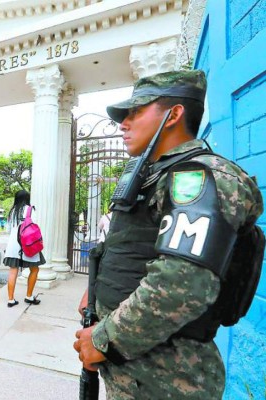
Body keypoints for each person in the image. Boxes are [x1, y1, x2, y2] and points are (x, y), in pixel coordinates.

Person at [73, 70, 263, 399]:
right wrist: (98, 291)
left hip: (168, 379)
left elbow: (181, 284)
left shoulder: (198, 177)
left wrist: (103, 340)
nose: (124, 123)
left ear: (174, 114)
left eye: (135, 112)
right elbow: (129, 246)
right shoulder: (154, 177)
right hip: (132, 371)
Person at [3, 190, 45, 308]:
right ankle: (29, 296)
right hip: (28, 244)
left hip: (13, 245)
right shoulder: (31, 210)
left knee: (13, 271)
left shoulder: (12, 212)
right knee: (35, 269)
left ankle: (11, 299)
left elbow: (8, 230)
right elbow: (35, 226)